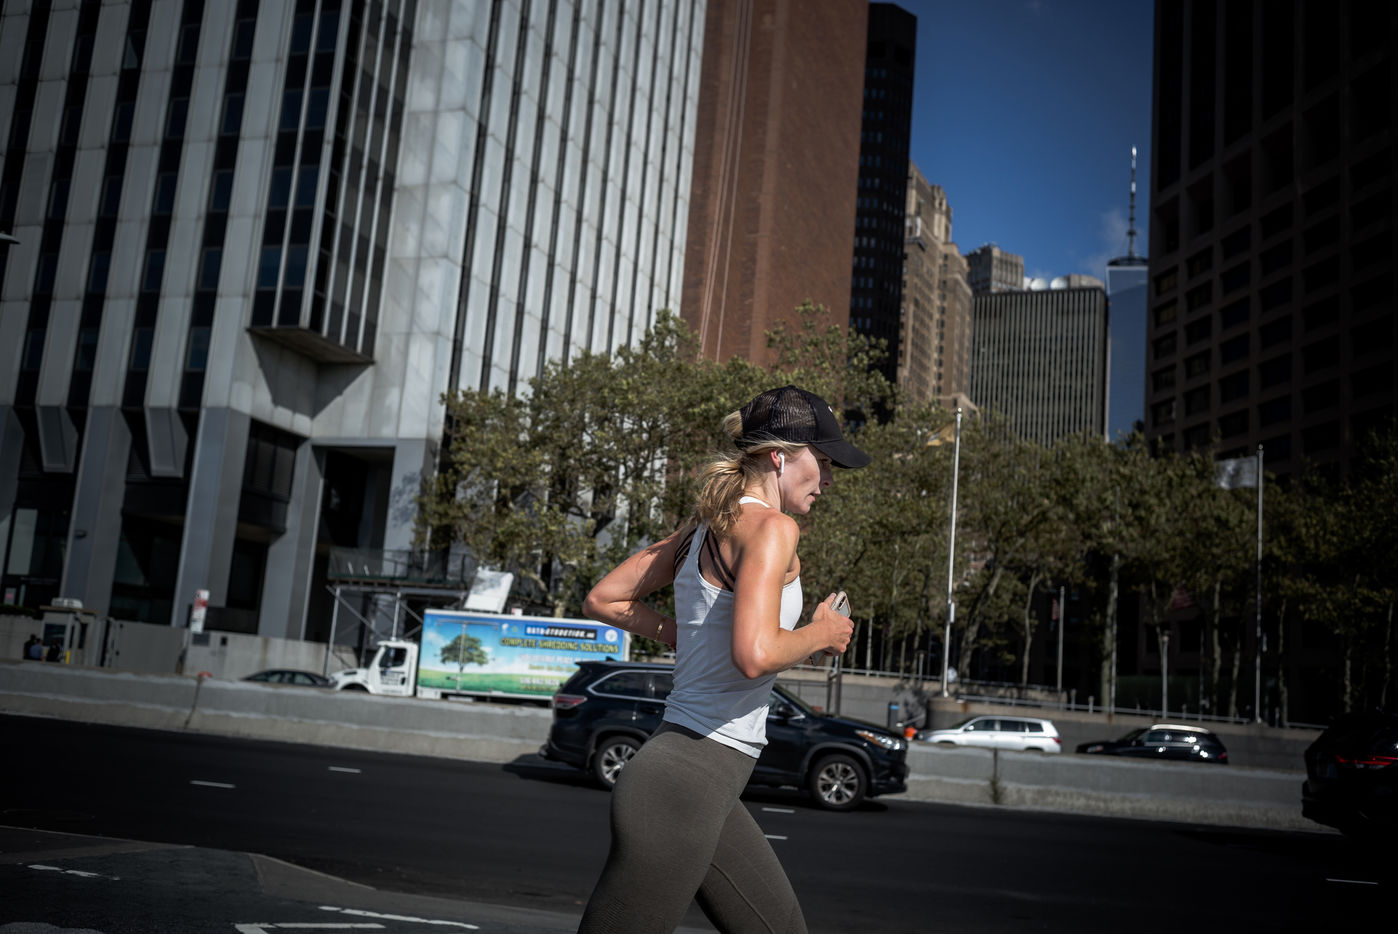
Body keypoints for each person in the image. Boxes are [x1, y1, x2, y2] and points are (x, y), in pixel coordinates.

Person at [577, 385, 870, 934]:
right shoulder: (775, 528)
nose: (829, 480)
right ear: (779, 456)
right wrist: (820, 633)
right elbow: (754, 656)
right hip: (685, 783)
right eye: (824, 462)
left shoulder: (702, 530)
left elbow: (603, 599)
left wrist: (681, 635)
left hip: (696, 781)